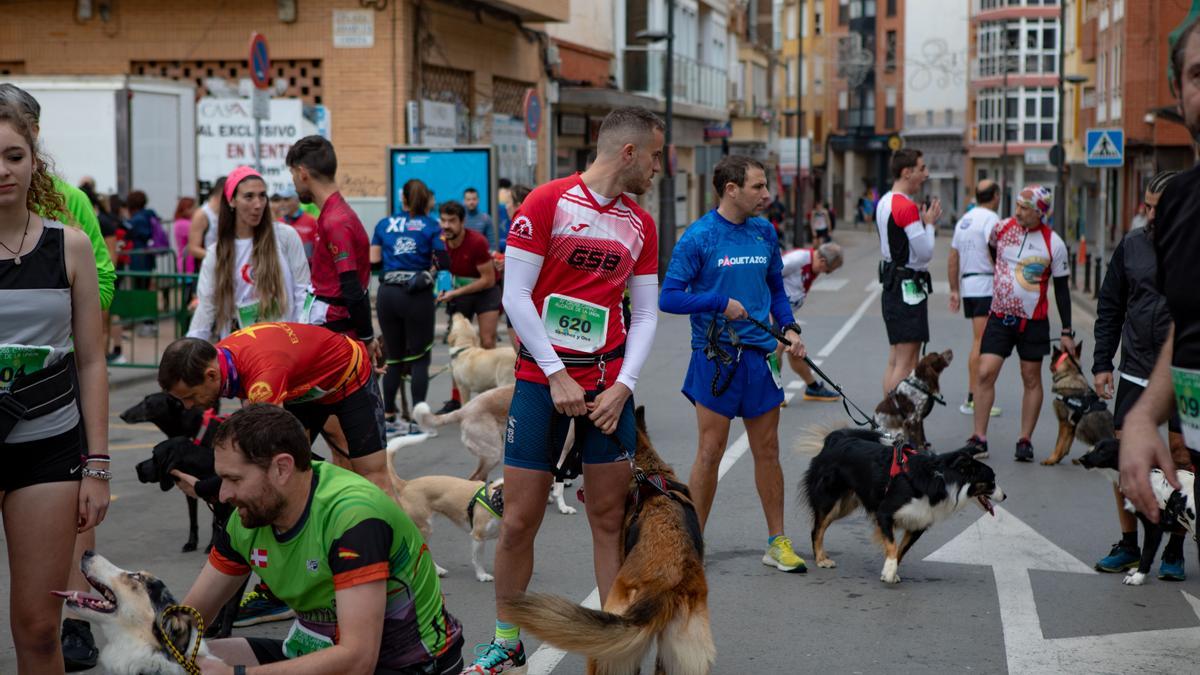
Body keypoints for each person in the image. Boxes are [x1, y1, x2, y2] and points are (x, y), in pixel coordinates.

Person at [461, 106, 661, 674]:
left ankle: (615, 648)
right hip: (540, 381)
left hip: (606, 390)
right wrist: (554, 373)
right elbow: (516, 297)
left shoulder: (641, 224)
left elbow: (644, 315)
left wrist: (624, 386)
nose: (656, 168)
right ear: (628, 154)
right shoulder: (547, 202)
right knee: (520, 518)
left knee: (607, 516)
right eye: (654, 156)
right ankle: (505, 641)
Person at [182, 404, 464, 674]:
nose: (223, 495)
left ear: (282, 468)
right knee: (182, 658)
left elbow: (357, 661)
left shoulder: (354, 517)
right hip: (321, 651)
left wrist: (237, 674)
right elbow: (190, 619)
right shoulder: (248, 516)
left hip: (407, 665)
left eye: (235, 479)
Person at [0, 97, 110, 672]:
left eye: (14, 155)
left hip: (47, 451)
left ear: (34, 159)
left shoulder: (69, 246)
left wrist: (97, 466)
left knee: (40, 628)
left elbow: (92, 361)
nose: (2, 170)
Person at [659, 154, 809, 573]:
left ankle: (777, 542)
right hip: (715, 358)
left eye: (765, 186)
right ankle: (692, 544)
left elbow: (776, 288)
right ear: (731, 190)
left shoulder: (764, 232)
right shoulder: (699, 237)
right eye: (758, 187)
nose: (766, 194)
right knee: (710, 451)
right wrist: (718, 302)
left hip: (760, 357)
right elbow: (669, 297)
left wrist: (790, 328)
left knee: (769, 450)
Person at [1120, 18, 1200, 524]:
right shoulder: (1178, 206)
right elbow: (1189, 324)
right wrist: (1146, 414)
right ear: (1179, 89)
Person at [1093, 170, 1188, 578]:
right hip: (1134, 368)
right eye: (1146, 207)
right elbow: (1110, 306)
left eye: (1158, 208)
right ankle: (1130, 543)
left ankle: (1174, 550)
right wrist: (1101, 362)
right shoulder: (1131, 246)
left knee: (1182, 459)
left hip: (1185, 372)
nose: (1150, 215)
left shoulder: (1193, 246)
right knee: (1125, 457)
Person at [965, 185, 1074, 461]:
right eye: (1017, 205)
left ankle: (1024, 440)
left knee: (1030, 377)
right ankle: (979, 438)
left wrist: (1066, 331)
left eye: (1024, 208)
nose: (1017, 212)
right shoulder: (1001, 229)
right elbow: (992, 252)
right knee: (984, 372)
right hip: (1000, 316)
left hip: (1033, 322)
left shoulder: (1054, 243)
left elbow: (1062, 289)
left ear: (1040, 212)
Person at [186, 166, 310, 342]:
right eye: (249, 196)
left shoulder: (284, 236)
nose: (258, 204)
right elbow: (206, 307)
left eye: (262, 195)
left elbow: (302, 290)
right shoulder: (217, 253)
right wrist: (190, 351)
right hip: (238, 348)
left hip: (283, 344)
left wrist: (302, 336)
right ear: (232, 201)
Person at [285, 136, 378, 359]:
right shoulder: (334, 214)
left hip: (337, 335)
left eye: (292, 175)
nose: (294, 183)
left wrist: (367, 339)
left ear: (302, 173)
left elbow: (352, 287)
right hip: (336, 330)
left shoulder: (335, 221)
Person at [371, 178, 448, 435]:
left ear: (402, 199)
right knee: (419, 359)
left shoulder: (384, 224)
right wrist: (438, 278)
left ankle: (390, 417)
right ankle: (417, 420)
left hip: (387, 293)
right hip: (416, 295)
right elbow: (444, 260)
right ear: (426, 199)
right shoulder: (431, 226)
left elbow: (373, 263)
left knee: (393, 356)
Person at [877, 148, 941, 396]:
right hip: (907, 285)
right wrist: (930, 225)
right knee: (906, 361)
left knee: (896, 358)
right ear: (907, 172)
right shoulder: (906, 206)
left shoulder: (884, 201)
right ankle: (895, 423)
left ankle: (887, 422)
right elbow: (924, 253)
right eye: (922, 168)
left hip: (892, 281)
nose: (926, 173)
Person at [949, 179, 1003, 417]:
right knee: (981, 342)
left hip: (969, 284)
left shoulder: (964, 220)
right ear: (996, 196)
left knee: (978, 341)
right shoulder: (991, 219)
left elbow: (953, 257)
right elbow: (996, 254)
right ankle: (974, 396)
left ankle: (975, 394)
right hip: (985, 284)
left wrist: (954, 289)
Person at [777, 242, 843, 402]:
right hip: (773, 312)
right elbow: (768, 276)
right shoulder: (798, 259)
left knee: (795, 350)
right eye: (827, 270)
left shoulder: (813, 265)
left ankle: (812, 387)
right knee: (776, 349)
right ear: (822, 261)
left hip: (785, 315)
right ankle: (774, 390)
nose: (825, 273)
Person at [275, 184, 319, 260]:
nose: (282, 203)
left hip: (308, 268)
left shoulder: (311, 221)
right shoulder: (278, 223)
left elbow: (317, 250)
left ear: (297, 200)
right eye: (281, 200)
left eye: (286, 199)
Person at [188, 177, 226, 262]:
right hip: (207, 267)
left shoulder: (225, 212)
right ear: (222, 192)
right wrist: (218, 257)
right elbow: (193, 248)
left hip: (222, 267)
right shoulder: (202, 214)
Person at [173, 196, 198, 274]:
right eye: (192, 208)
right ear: (185, 209)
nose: (195, 210)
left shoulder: (181, 222)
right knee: (189, 285)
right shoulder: (183, 224)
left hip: (188, 261)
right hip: (187, 262)